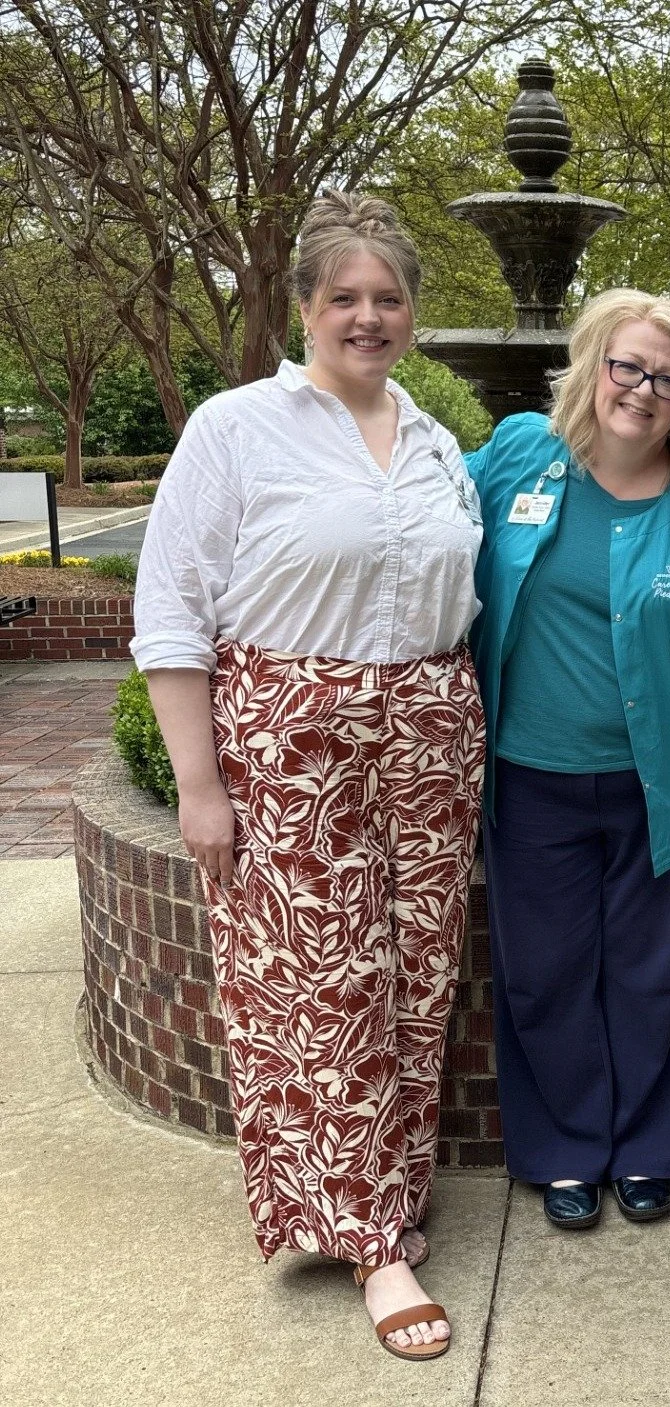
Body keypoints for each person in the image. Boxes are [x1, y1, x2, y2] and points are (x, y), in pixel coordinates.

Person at [132, 191, 485, 1361]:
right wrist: (199, 784)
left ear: (414, 313)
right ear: (305, 306)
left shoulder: (435, 446)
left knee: (414, 977)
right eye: (346, 297)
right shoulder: (238, 428)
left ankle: (382, 1185)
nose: (369, 317)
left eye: (389, 298)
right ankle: (371, 1241)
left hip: (430, 732)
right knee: (320, 987)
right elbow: (172, 612)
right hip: (292, 742)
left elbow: (462, 601)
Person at [466, 289, 670, 1230]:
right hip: (530, 773)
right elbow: (411, 517)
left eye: (666, 378)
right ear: (590, 365)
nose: (641, 389)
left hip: (656, 783)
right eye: (626, 365)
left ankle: (647, 1150)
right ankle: (563, 1152)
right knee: (544, 970)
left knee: (651, 971)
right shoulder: (516, 455)